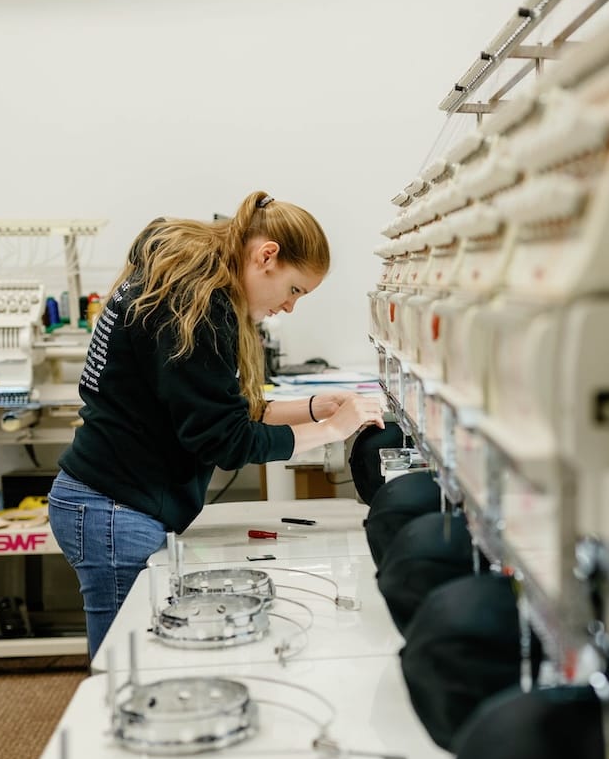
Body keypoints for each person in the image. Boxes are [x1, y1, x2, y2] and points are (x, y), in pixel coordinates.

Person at [48, 191, 385, 658]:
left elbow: (220, 409)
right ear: (267, 256)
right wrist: (332, 431)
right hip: (113, 508)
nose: (290, 307)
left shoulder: (185, 282)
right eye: (294, 290)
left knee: (137, 659)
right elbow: (224, 440)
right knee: (125, 667)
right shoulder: (196, 303)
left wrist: (315, 407)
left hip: (114, 503)